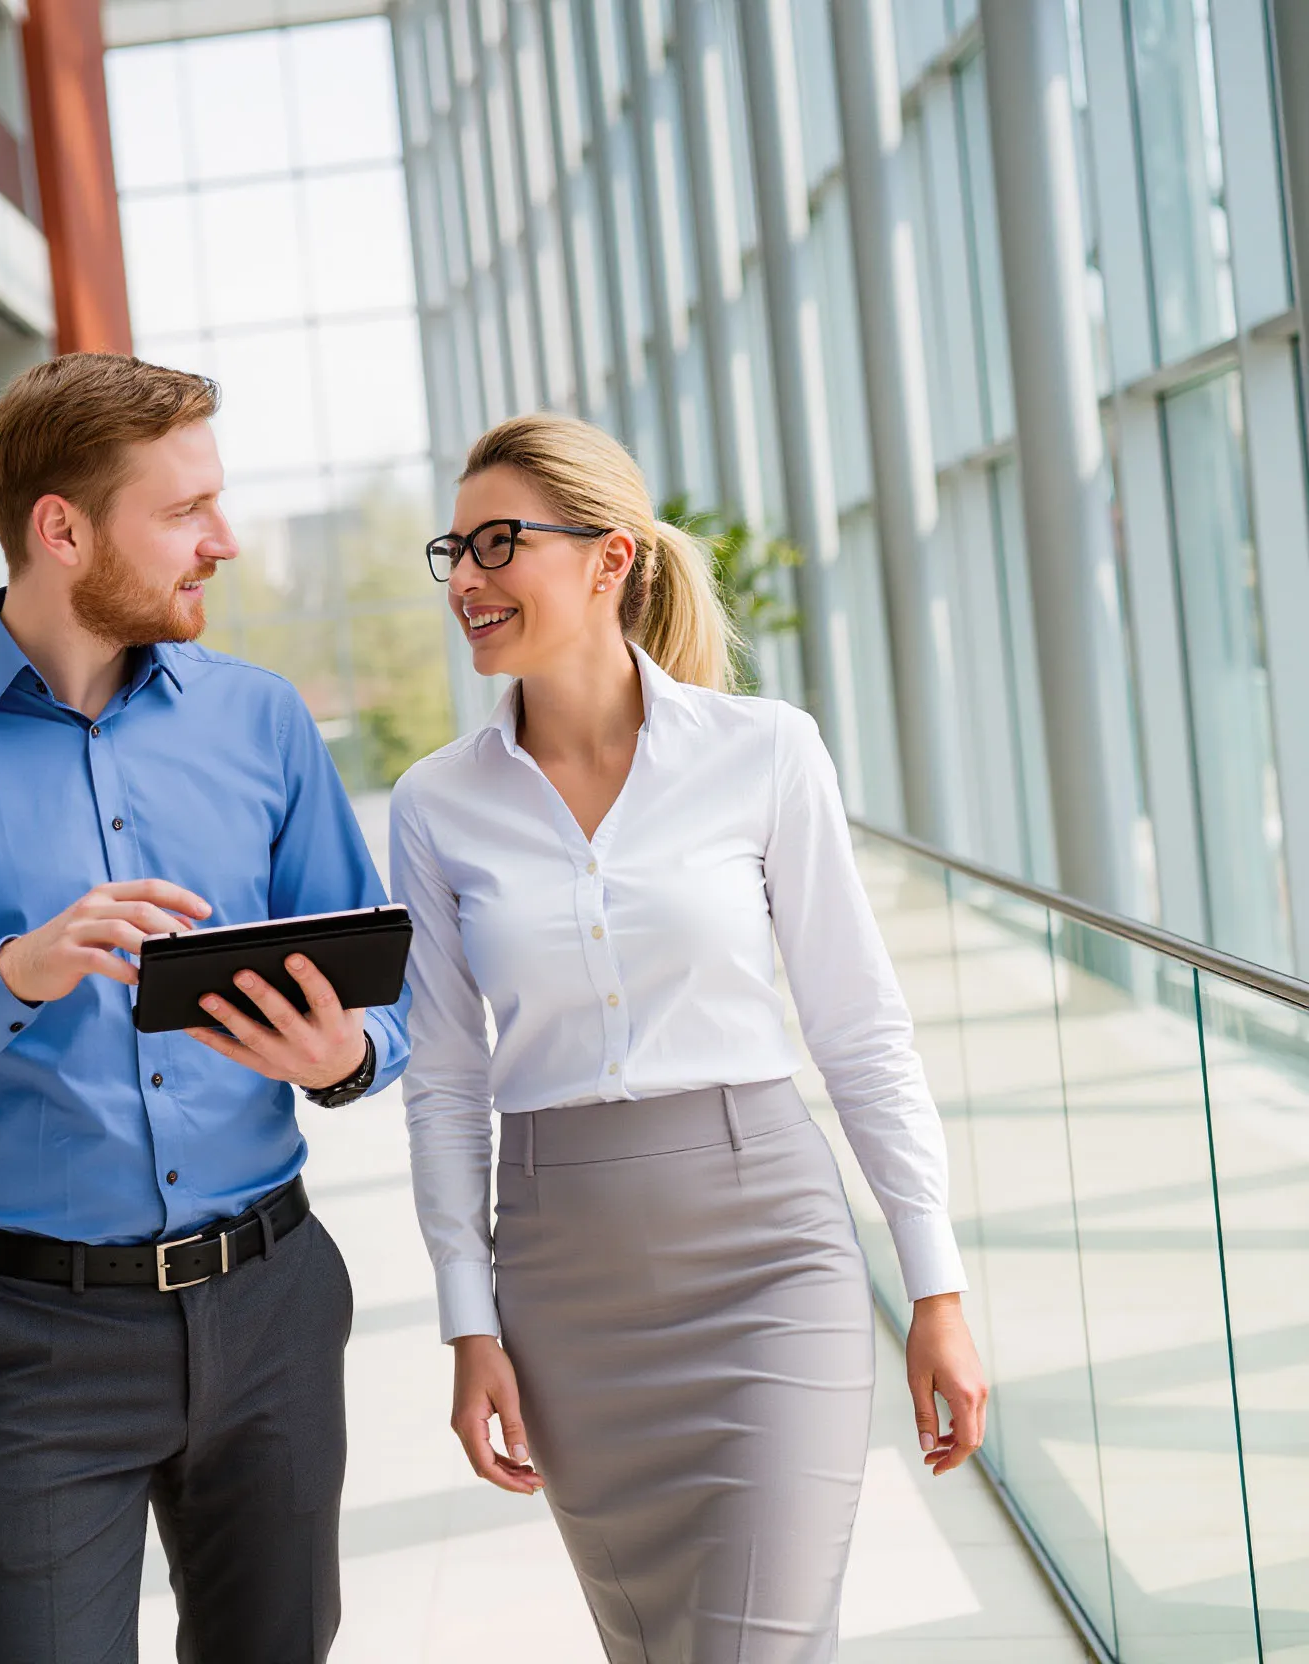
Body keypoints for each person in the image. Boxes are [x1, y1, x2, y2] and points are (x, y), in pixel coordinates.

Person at [0, 352, 412, 1664]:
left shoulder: (263, 722)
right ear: (60, 529)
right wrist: (12, 973)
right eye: (185, 512)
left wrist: (344, 1056)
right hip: (36, 1344)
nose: (222, 542)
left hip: (274, 1299)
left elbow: (390, 1002)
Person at [388, 412, 988, 1663]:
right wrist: (468, 1321)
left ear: (611, 560)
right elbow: (443, 1078)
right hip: (564, 1286)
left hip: (770, 1256)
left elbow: (860, 1029)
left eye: (502, 542)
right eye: (455, 546)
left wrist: (936, 1285)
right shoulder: (436, 804)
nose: (466, 576)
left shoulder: (765, 752)